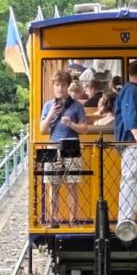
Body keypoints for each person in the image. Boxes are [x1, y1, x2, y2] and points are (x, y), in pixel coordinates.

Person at [40, 70, 87, 225]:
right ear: (54, 86)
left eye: (63, 85)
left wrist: (71, 124)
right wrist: (50, 114)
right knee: (52, 185)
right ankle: (53, 219)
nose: (60, 88)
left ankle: (73, 219)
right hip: (52, 144)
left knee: (72, 184)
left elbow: (84, 129)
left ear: (68, 86)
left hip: (72, 144)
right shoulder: (48, 105)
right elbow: (42, 129)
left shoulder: (77, 106)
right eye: (57, 85)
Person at [115, 60, 137, 226]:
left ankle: (126, 218)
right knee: (132, 179)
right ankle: (126, 219)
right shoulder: (132, 90)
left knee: (130, 179)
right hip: (131, 142)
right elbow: (129, 112)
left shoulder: (127, 89)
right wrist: (136, 134)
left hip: (127, 142)